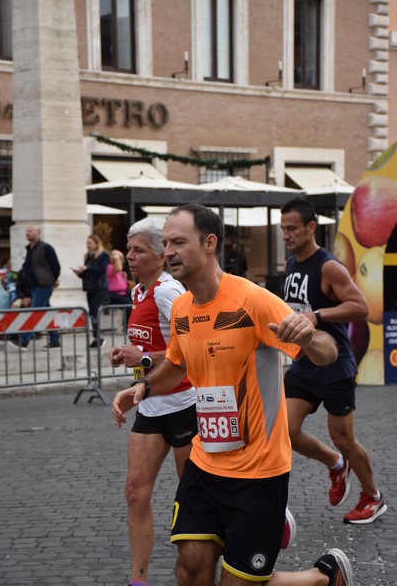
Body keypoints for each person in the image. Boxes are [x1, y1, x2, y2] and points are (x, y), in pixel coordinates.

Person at [112, 203, 353, 586]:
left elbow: (326, 353)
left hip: (259, 472)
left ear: (210, 243)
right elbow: (176, 363)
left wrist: (310, 336)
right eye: (166, 243)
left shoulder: (251, 299)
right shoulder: (181, 307)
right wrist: (143, 386)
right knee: (189, 571)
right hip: (205, 463)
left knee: (239, 582)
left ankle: (323, 577)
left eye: (178, 242)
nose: (168, 251)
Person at [281, 197, 386, 525]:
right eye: (282, 229)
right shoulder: (291, 264)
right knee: (286, 430)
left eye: (292, 228)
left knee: (344, 437)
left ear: (311, 228)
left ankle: (373, 497)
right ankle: (336, 464)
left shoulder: (328, 266)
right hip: (303, 362)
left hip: (335, 364)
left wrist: (318, 315)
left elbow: (360, 306)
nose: (286, 234)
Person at [108, 217, 197, 586]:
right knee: (134, 493)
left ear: (161, 256)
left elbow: (190, 349)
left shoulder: (168, 293)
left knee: (193, 498)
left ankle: (200, 567)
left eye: (138, 250)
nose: (129, 256)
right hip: (150, 405)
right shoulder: (137, 292)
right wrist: (129, 358)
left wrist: (142, 359)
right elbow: (151, 349)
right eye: (129, 249)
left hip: (184, 405)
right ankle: (138, 581)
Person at [9, 225, 61, 351]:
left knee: (33, 312)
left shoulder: (45, 248)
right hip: (35, 286)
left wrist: (52, 280)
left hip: (43, 285)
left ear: (38, 233)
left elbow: (56, 266)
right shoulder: (30, 249)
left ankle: (24, 341)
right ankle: (55, 340)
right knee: (47, 312)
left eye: (30, 231)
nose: (27, 233)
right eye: (26, 231)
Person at [72, 234, 110, 348]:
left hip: (100, 287)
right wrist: (80, 273)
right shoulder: (88, 256)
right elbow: (87, 274)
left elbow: (102, 270)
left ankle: (99, 337)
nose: (88, 245)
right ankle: (96, 338)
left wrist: (87, 268)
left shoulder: (103, 255)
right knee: (92, 313)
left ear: (96, 244)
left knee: (94, 311)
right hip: (90, 287)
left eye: (90, 243)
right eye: (87, 243)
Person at [106, 249, 132, 329]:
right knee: (129, 306)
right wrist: (116, 256)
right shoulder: (109, 267)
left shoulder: (120, 271)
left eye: (120, 258)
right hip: (114, 295)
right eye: (116, 257)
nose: (118, 259)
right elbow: (118, 268)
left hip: (124, 293)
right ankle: (126, 326)